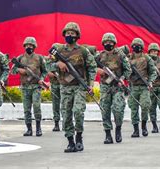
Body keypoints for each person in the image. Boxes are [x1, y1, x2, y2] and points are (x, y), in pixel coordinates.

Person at [47, 22, 96, 153]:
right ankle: (70, 142)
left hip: (80, 86)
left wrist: (90, 84)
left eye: (72, 33)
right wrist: (57, 64)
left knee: (78, 111)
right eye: (67, 33)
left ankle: (79, 137)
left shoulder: (83, 51)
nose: (69, 35)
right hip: (65, 87)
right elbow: (47, 65)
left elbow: (92, 68)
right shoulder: (59, 50)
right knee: (66, 114)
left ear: (77, 35)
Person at [96, 33, 131, 144]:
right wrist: (98, 70)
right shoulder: (99, 56)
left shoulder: (120, 55)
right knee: (105, 110)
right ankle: (107, 134)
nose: (108, 44)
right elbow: (90, 66)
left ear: (114, 43)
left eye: (110, 42)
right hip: (105, 87)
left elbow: (128, 70)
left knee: (118, 108)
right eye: (106, 42)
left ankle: (118, 129)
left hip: (117, 86)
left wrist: (122, 78)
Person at [11, 37, 47, 137]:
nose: (29, 47)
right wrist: (19, 70)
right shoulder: (20, 58)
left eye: (31, 45)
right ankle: (29, 129)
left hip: (36, 86)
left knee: (36, 107)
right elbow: (12, 71)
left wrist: (42, 79)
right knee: (26, 109)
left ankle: (38, 128)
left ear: (34, 46)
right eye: (27, 45)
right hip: (25, 87)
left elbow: (45, 71)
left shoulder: (39, 58)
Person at [128, 38, 157, 138]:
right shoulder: (128, 58)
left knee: (145, 106)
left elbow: (153, 72)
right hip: (133, 87)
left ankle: (143, 127)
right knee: (133, 108)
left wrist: (150, 82)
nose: (137, 47)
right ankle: (136, 130)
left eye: (139, 45)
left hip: (144, 87)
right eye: (135, 45)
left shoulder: (147, 58)